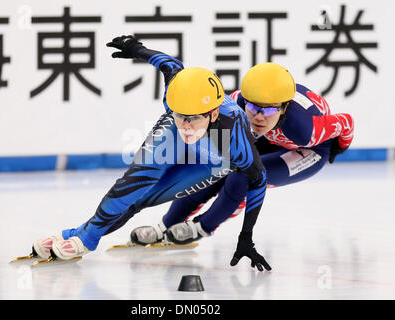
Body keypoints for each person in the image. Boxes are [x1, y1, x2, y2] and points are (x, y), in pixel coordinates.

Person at [29, 35, 271, 270]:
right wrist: (136, 48)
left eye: (194, 118)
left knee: (143, 199)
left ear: (213, 114)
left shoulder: (235, 138)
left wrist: (246, 237)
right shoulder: (175, 97)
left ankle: (79, 235)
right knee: (133, 184)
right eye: (180, 116)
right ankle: (84, 238)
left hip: (213, 158)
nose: (186, 125)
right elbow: (171, 65)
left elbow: (259, 180)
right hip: (172, 136)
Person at [131, 62, 354, 271]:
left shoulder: (305, 129)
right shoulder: (235, 103)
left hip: (308, 150)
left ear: (284, 108)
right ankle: (164, 226)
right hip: (269, 139)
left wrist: (340, 147)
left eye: (268, 110)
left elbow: (347, 122)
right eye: (253, 107)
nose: (258, 116)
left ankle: (202, 228)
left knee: (244, 178)